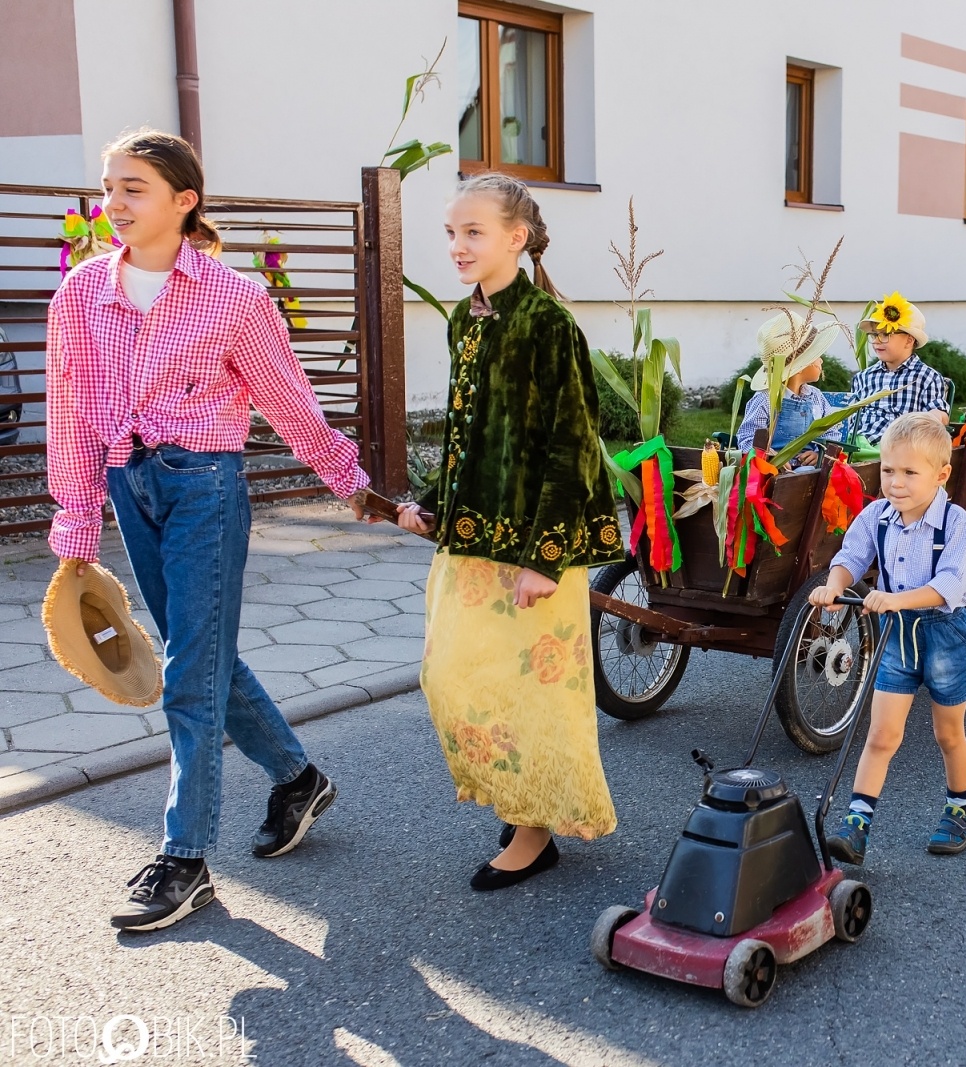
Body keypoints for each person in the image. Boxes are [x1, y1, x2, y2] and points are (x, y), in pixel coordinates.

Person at [45, 130, 371, 932]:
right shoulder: (80, 294)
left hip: (205, 488)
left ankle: (184, 858)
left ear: (184, 200)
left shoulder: (235, 299)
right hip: (128, 483)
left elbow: (289, 400)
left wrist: (349, 480)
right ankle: (298, 778)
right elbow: (71, 410)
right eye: (109, 187)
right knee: (201, 652)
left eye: (133, 188)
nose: (114, 204)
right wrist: (76, 515)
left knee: (189, 669)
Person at [396, 173, 624, 890]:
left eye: (474, 232)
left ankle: (535, 828)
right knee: (451, 674)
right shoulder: (464, 320)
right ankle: (521, 795)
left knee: (534, 690)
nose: (458, 246)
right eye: (451, 233)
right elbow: (468, 432)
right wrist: (432, 502)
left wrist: (544, 560)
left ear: (515, 238)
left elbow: (572, 444)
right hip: (472, 538)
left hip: (534, 546)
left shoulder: (548, 324)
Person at [809, 412, 966, 865]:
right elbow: (851, 556)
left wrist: (896, 599)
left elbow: (950, 584)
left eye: (909, 472)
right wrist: (834, 585)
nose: (896, 482)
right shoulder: (877, 516)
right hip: (896, 636)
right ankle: (857, 823)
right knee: (882, 734)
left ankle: (960, 812)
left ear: (941, 475)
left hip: (943, 633)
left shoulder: (955, 523)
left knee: (948, 734)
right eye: (888, 470)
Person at [736, 312, 842, 463]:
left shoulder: (816, 396)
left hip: (813, 471)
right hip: (774, 471)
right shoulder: (766, 399)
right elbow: (747, 438)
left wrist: (819, 454)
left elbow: (831, 433)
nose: (821, 360)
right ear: (799, 367)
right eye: (817, 356)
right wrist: (770, 458)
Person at [845, 293, 949, 445]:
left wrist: (934, 416)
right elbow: (850, 418)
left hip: (898, 448)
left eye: (885, 334)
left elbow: (939, 413)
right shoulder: (863, 377)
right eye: (874, 335)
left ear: (909, 340)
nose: (876, 341)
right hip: (856, 445)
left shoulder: (926, 377)